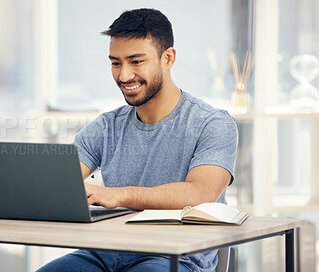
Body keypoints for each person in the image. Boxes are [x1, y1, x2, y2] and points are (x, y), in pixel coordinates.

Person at [37, 8, 238, 272]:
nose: (124, 76)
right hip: (102, 253)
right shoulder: (107, 126)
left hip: (171, 258)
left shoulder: (213, 124)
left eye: (136, 61)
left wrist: (116, 195)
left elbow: (200, 194)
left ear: (168, 58)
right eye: (115, 63)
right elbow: (60, 183)